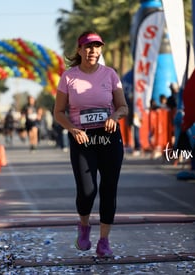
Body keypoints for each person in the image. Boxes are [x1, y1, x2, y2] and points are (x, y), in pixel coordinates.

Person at [53, 31, 128, 257]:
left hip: (108, 137)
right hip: (82, 138)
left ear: (101, 50)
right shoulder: (69, 77)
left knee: (108, 189)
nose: (92, 51)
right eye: (88, 47)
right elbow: (58, 112)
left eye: (97, 47)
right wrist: (73, 129)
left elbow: (123, 106)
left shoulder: (110, 74)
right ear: (79, 50)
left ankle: (104, 241)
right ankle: (84, 225)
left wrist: (114, 118)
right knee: (87, 191)